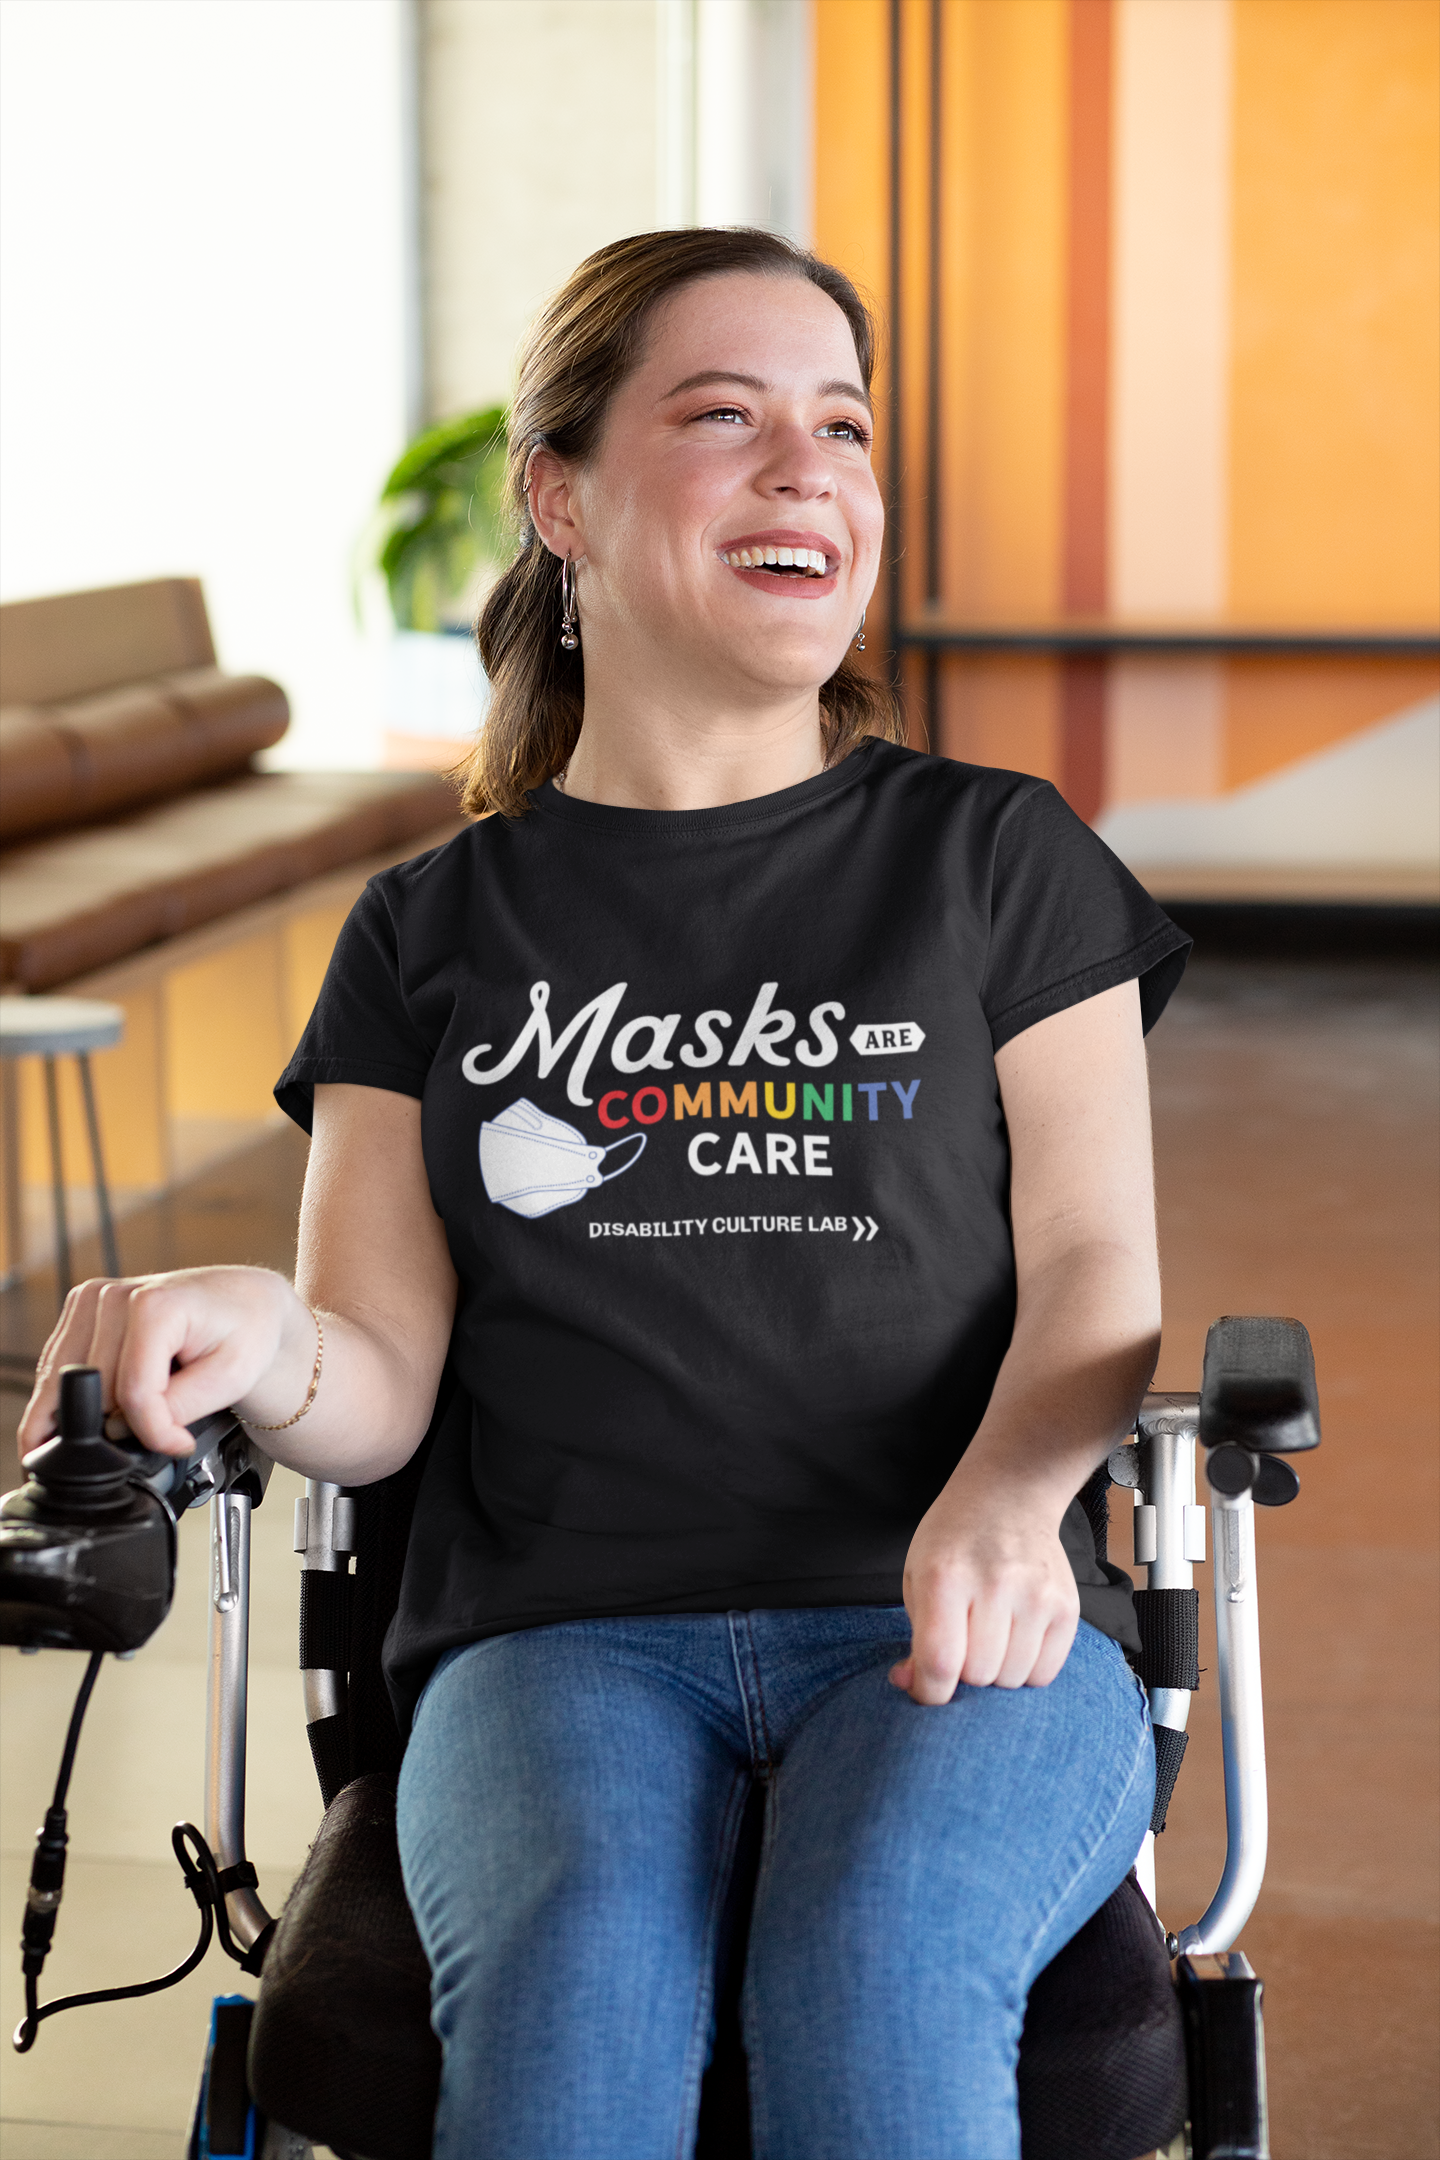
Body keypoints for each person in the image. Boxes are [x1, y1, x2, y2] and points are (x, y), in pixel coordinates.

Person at [21, 228, 1189, 2160]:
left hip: (948, 1620)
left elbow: (1093, 1275)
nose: (810, 467)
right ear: (558, 494)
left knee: (878, 1961)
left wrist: (1002, 1504)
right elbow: (381, 1372)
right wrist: (264, 1329)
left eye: (843, 426)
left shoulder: (996, 859)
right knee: (568, 2010)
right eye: (724, 418)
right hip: (556, 1639)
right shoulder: (430, 930)